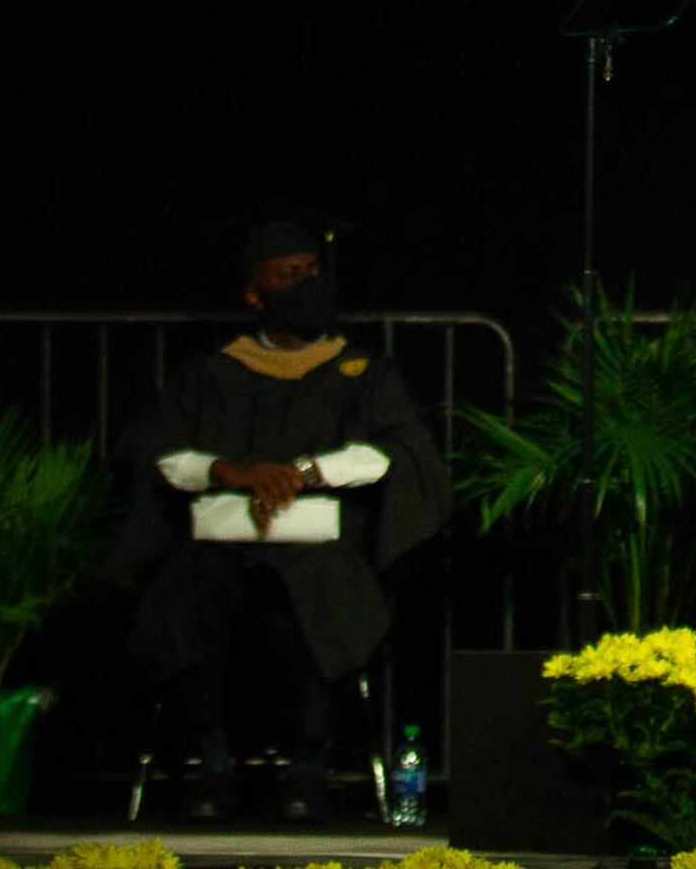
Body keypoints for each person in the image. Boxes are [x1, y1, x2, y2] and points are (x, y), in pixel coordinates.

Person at [112, 223, 447, 822]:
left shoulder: (365, 373)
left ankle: (306, 770)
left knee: (331, 588)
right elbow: (156, 450)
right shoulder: (213, 375)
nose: (307, 284)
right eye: (287, 275)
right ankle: (209, 766)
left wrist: (304, 472)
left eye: (313, 271)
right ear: (253, 295)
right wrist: (232, 471)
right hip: (220, 545)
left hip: (324, 545)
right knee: (184, 589)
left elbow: (401, 451)